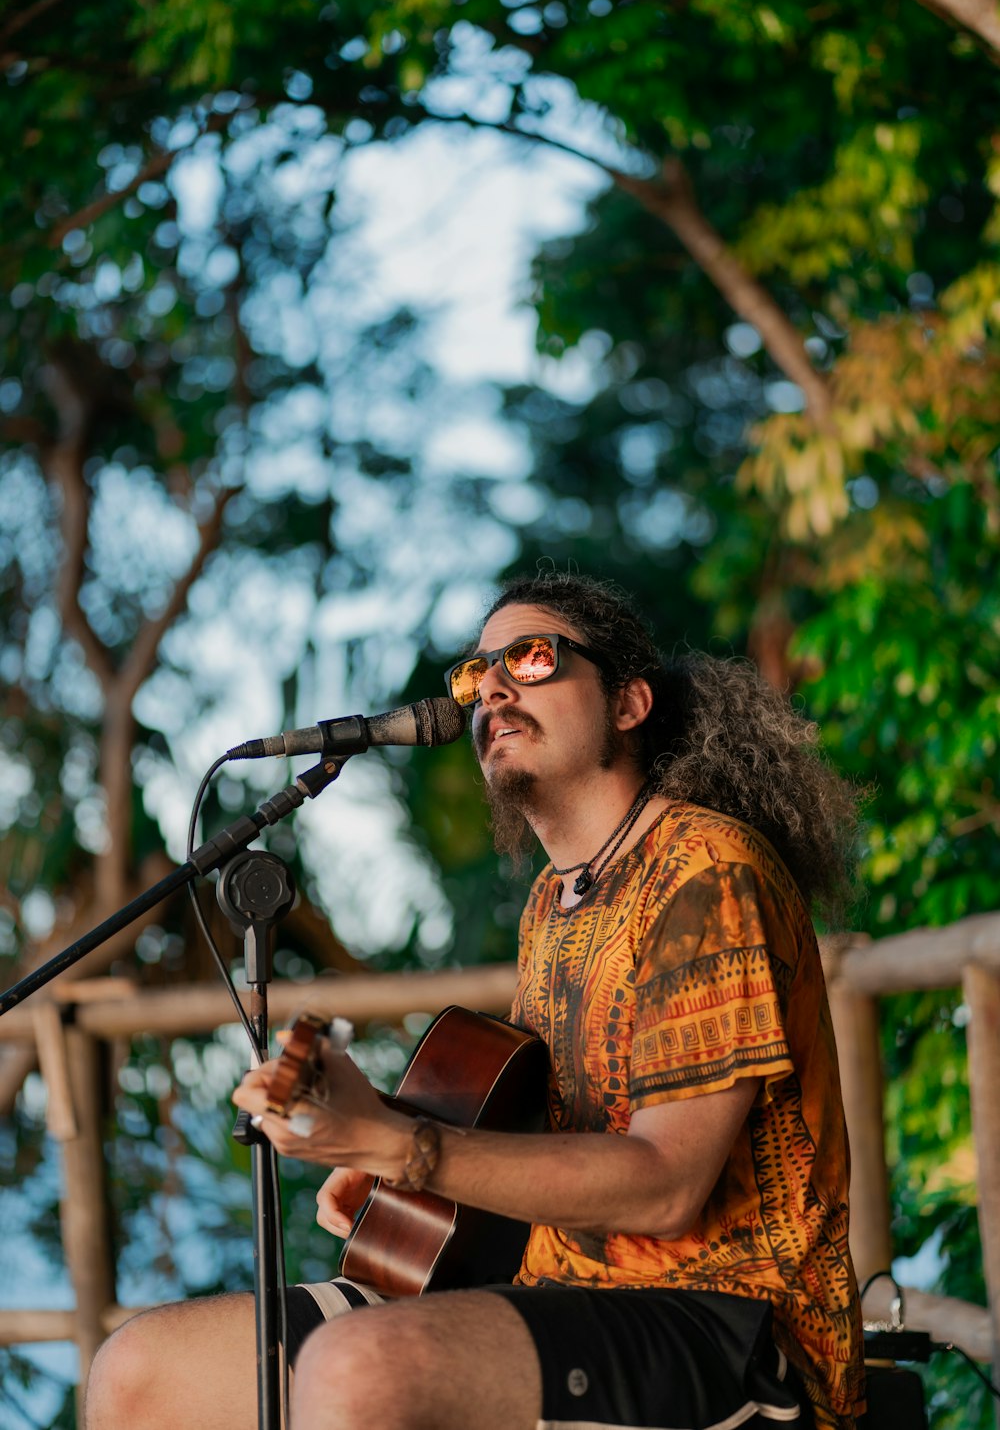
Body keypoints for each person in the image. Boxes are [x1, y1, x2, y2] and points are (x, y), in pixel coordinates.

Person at [86, 571, 866, 1430]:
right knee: (139, 1373)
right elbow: (544, 1129)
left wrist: (406, 1145)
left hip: (733, 1328)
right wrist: (377, 1147)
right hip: (553, 1288)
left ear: (629, 703)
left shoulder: (705, 872)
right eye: (477, 673)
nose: (491, 687)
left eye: (532, 659)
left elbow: (665, 1185)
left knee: (358, 1369)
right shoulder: (552, 902)